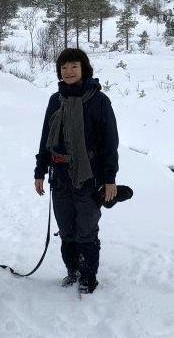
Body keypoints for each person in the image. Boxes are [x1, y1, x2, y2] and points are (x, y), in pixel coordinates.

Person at [34, 48, 118, 294]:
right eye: (64, 67)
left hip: (88, 176)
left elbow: (109, 143)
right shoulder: (55, 100)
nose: (68, 71)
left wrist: (109, 179)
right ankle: (73, 270)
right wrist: (40, 171)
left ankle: (88, 277)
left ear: (84, 69)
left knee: (87, 230)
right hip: (59, 175)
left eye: (74, 66)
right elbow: (45, 139)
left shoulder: (99, 101)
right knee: (67, 229)